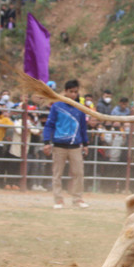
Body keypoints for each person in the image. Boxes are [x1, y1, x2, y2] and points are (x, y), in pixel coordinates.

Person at [42, 80, 89, 209]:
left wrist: (85, 143)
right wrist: (47, 142)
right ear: (66, 91)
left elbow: (83, 127)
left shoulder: (80, 108)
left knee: (78, 173)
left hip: (75, 146)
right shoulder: (57, 106)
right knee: (57, 173)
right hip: (59, 145)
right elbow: (49, 125)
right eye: (71, 91)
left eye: (75, 92)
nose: (73, 94)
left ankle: (77, 198)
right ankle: (58, 199)